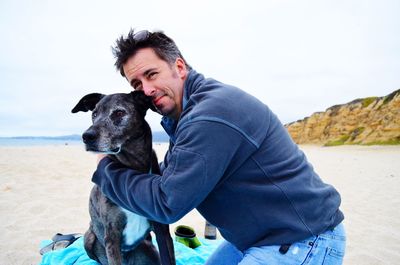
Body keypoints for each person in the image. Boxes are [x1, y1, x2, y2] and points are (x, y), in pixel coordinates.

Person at [92, 29, 346, 264]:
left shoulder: (210, 115)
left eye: (151, 74)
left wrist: (106, 169)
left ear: (179, 66)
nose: (146, 90)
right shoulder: (184, 117)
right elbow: (171, 175)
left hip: (302, 240)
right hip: (253, 238)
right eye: (136, 84)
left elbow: (167, 204)